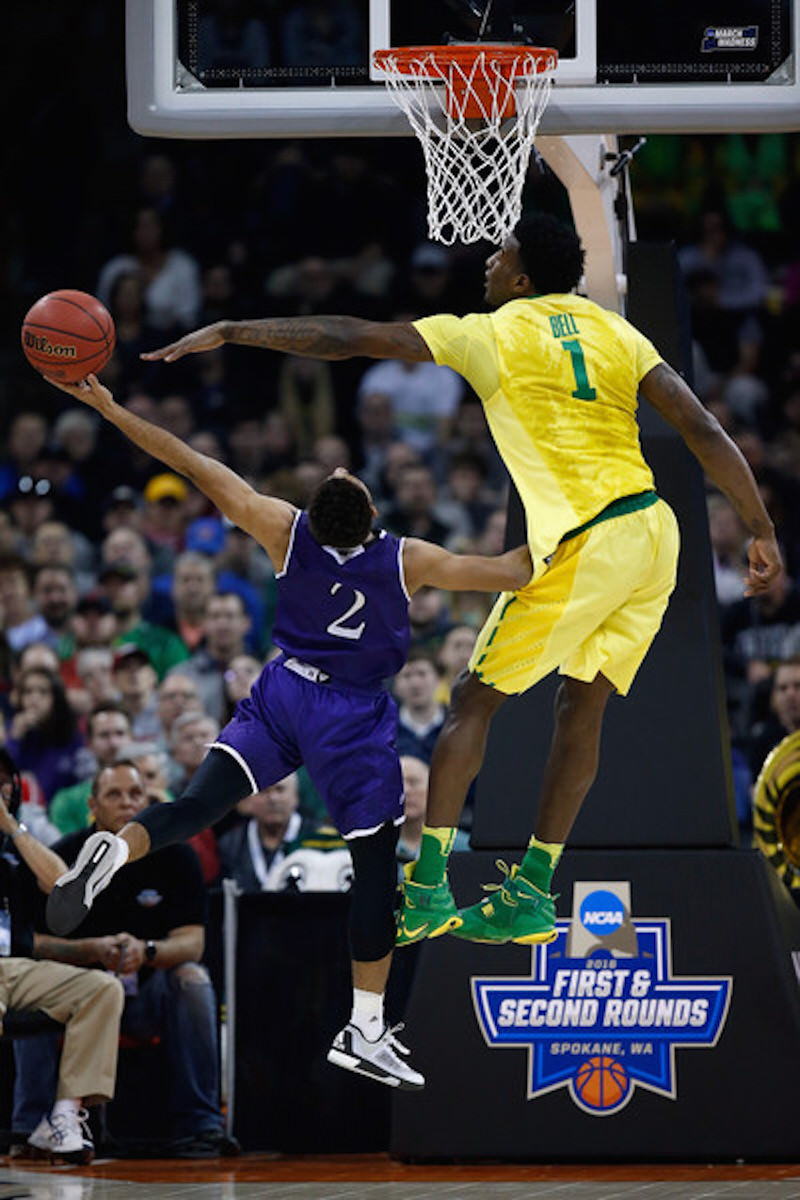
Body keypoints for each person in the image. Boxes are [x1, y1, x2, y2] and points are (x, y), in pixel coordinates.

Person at [74, 209, 780, 954]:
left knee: (473, 701)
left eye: (499, 253)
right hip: (654, 532)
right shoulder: (615, 329)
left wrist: (236, 329)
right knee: (584, 702)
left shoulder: (494, 332)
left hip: (585, 541)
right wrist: (759, 526)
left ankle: (432, 884)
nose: (487, 262)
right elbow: (699, 425)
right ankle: (531, 894)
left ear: (523, 277)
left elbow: (350, 337)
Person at [42, 372, 531, 1092]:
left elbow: (187, 461)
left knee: (194, 807)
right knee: (373, 870)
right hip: (353, 719)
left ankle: (115, 849)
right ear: (370, 513)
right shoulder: (407, 559)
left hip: (282, 689)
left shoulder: (281, 528)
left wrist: (110, 406)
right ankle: (365, 1026)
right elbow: (513, 572)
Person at [16, 759, 236, 1158]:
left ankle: (201, 1124)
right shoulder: (63, 857)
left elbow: (192, 943)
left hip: (147, 994)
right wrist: (89, 950)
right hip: (80, 997)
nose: (128, 803)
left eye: (136, 794)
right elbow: (35, 941)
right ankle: (30, 1124)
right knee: (32, 984)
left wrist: (146, 951)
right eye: (114, 795)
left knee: (193, 980)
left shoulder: (177, 857)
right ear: (93, 805)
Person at [0, 748, 124, 1163]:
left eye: (4, 780)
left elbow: (60, 885)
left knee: (102, 989)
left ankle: (63, 1118)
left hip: (15, 967)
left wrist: (12, 828)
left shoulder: (20, 838)